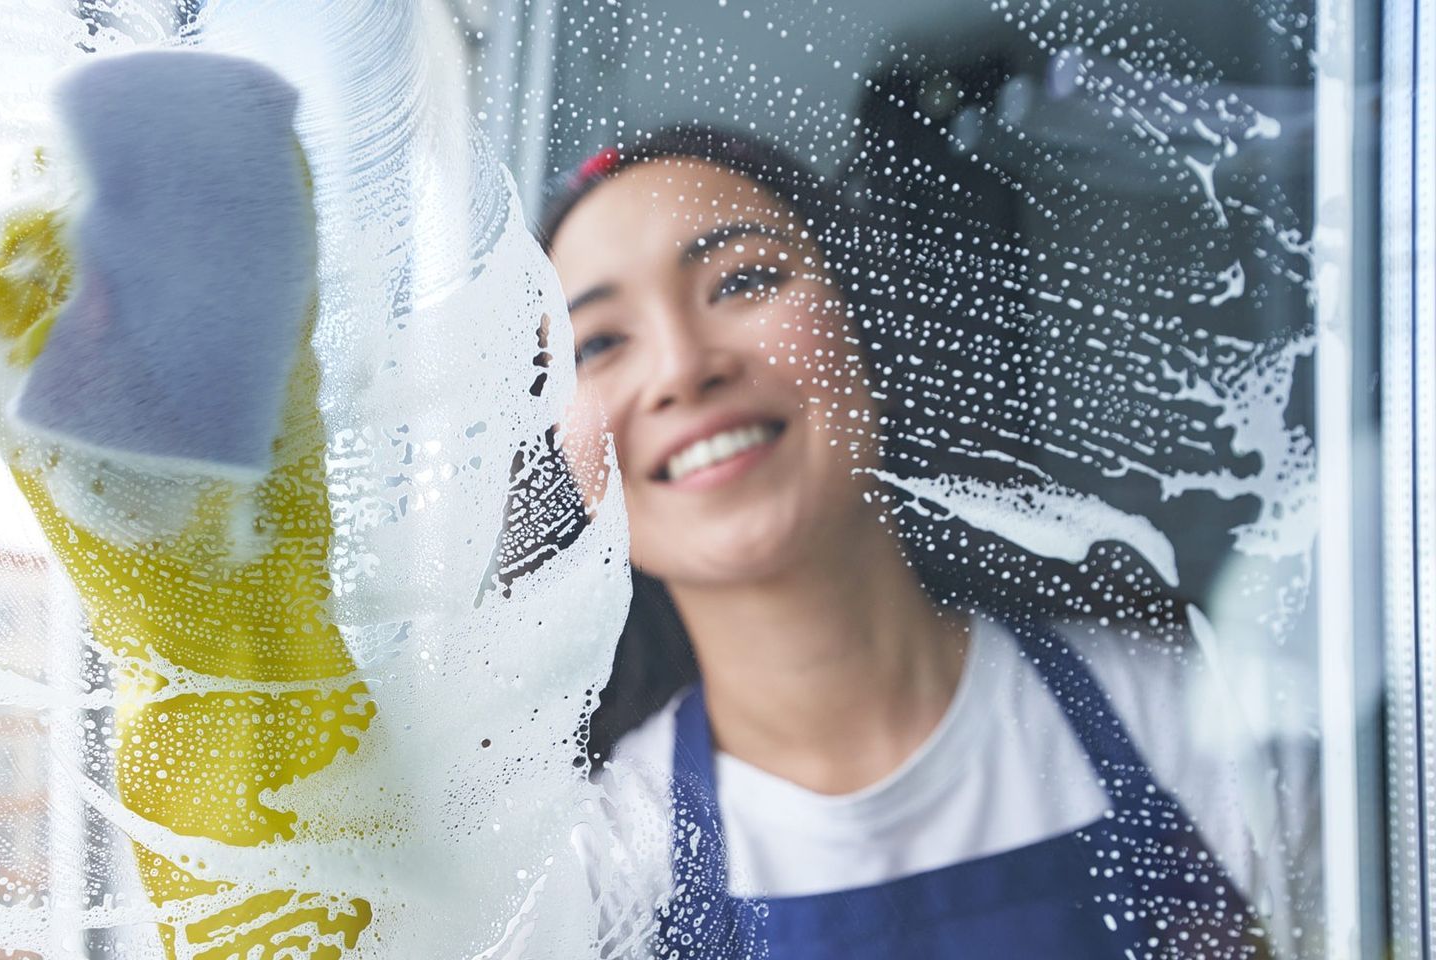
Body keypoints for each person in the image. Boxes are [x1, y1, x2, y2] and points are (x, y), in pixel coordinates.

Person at [539, 124, 1314, 958]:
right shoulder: (588, 885)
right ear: (569, 475)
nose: (683, 367)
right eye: (600, 343)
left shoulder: (1196, 734)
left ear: (874, 331)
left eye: (743, 280)